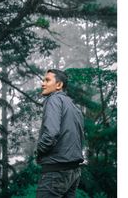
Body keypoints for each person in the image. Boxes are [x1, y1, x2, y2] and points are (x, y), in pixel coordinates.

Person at [36, 69, 84, 198]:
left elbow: (51, 134)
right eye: (43, 80)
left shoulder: (53, 99)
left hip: (55, 171)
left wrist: (39, 151)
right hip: (74, 171)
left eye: (47, 80)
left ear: (59, 85)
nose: (42, 83)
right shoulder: (74, 106)